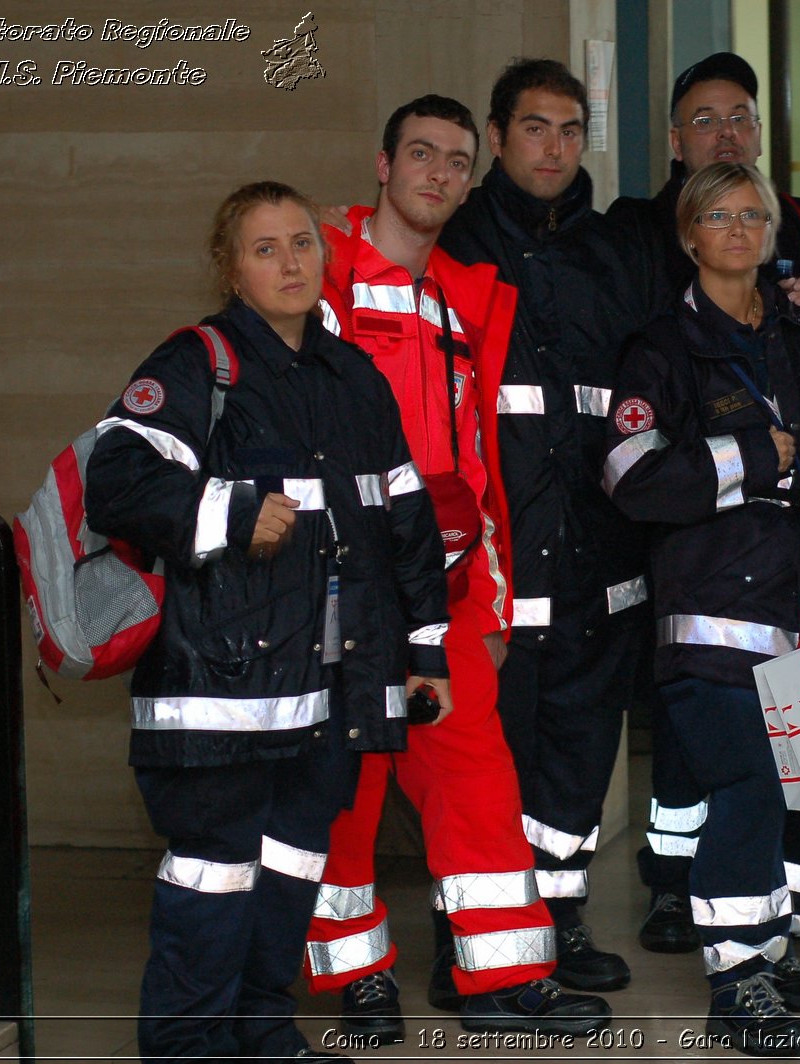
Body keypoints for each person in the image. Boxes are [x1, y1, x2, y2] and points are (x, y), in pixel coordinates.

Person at [85, 180, 453, 1062]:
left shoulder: (353, 377)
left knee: (289, 871)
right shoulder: (196, 363)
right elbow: (117, 482)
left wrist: (427, 647)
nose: (290, 262)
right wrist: (232, 509)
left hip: (328, 693)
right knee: (212, 879)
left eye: (302, 244)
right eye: (265, 248)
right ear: (229, 267)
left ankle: (263, 1031)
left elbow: (405, 520)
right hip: (218, 700)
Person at [302, 94, 608, 1038]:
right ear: (383, 164)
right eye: (421, 154)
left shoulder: (465, 301)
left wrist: (496, 596)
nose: (437, 174)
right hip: (342, 589)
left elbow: (477, 467)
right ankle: (358, 978)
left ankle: (505, 980)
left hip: (450, 594)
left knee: (478, 782)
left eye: (455, 161)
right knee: (345, 796)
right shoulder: (318, 278)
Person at [604, 162, 800, 1055]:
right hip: (714, 617)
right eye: (717, 215)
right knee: (754, 784)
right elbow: (632, 476)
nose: (738, 227)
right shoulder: (659, 348)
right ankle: (736, 985)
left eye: (752, 214)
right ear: (688, 234)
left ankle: (773, 951)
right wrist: (748, 459)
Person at [438, 58, 659, 994]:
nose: (556, 148)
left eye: (572, 131)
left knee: (577, 753)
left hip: (599, 552)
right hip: (495, 553)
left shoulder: (616, 252)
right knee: (485, 763)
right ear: (497, 137)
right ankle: (474, 944)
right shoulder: (454, 243)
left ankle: (559, 920)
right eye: (535, 128)